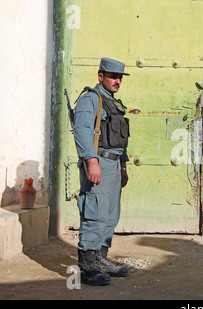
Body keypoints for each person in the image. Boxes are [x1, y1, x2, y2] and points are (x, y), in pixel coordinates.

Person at [73, 57, 131, 285]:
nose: (117, 81)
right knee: (94, 213)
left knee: (110, 215)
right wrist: (91, 160)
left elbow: (119, 139)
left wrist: (124, 166)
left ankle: (101, 258)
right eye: (113, 77)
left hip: (114, 164)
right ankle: (87, 267)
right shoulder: (91, 99)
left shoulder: (113, 103)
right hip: (99, 163)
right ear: (101, 77)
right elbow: (82, 132)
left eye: (120, 78)